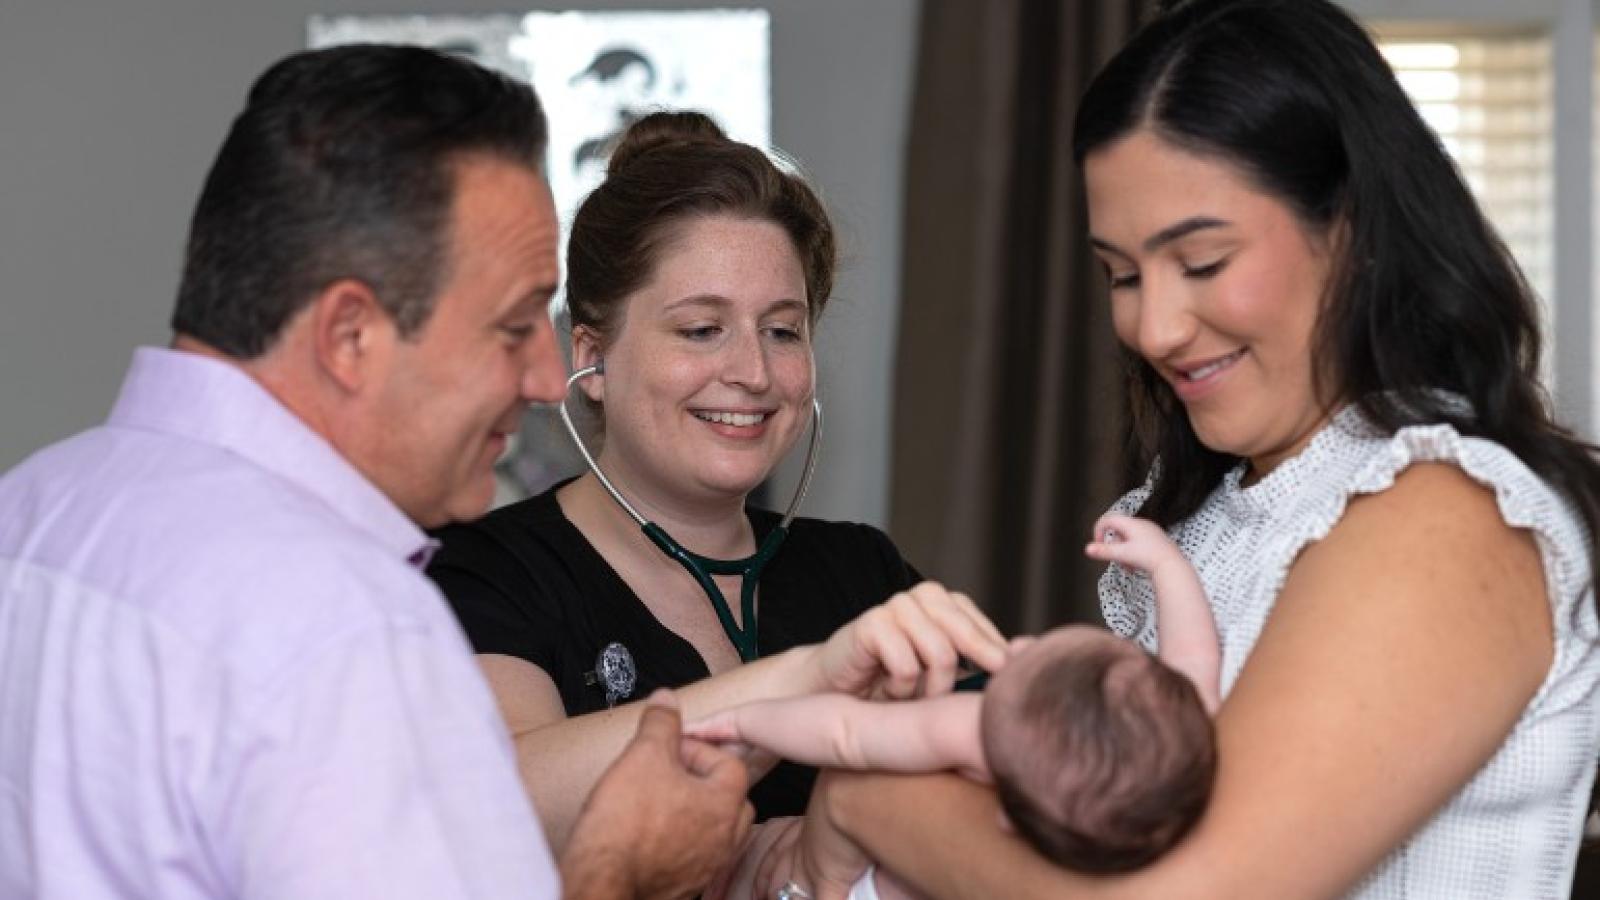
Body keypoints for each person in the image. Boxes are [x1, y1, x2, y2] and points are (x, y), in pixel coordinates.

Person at [749, 0, 1600, 897]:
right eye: (1121, 274)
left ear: (1350, 228)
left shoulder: (1445, 515)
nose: (1153, 327)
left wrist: (862, 801)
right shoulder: (1220, 517)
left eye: (1200, 262)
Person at [0, 44, 758, 899]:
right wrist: (619, 872)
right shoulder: (347, 624)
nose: (548, 382)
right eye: (512, 328)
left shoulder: (25, 516)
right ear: (350, 335)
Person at [427, 110, 1010, 854]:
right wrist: (806, 680)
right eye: (703, 329)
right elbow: (499, 797)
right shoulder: (489, 571)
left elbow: (1011, 784)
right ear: (592, 355)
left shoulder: (863, 573)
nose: (754, 373)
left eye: (782, 330)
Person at [691, 515, 1218, 899]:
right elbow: (1194, 659)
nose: (1017, 647)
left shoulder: (979, 732)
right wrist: (1167, 564)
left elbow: (843, 733)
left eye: (1028, 661)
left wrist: (741, 719)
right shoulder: (1169, 752)